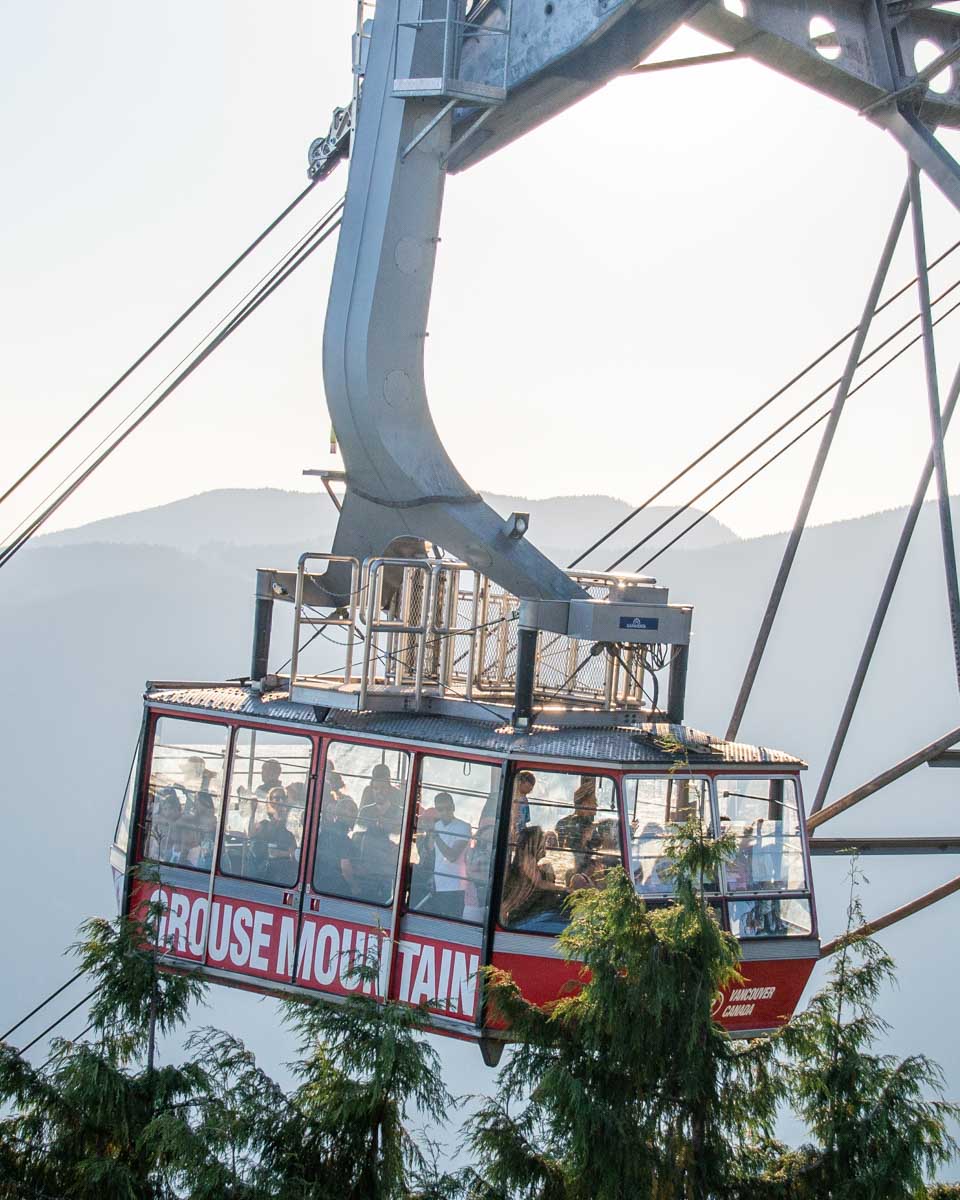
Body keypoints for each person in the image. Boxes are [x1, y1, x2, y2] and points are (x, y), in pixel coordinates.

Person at [501, 826, 565, 931]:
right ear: (534, 842)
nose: (545, 844)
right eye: (542, 841)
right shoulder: (527, 858)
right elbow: (539, 883)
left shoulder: (530, 858)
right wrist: (563, 888)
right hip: (521, 900)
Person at [424, 792, 471, 918]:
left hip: (456, 886)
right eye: (440, 809)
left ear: (453, 807)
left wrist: (436, 836)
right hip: (438, 884)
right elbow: (431, 851)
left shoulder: (464, 827)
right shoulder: (436, 826)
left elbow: (452, 856)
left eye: (448, 808)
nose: (444, 812)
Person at [245, 786, 298, 884]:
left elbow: (294, 855)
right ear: (270, 802)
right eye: (277, 798)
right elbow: (251, 834)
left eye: (283, 798)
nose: (280, 801)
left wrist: (280, 854)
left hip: (280, 876)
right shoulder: (264, 825)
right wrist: (253, 811)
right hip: (259, 874)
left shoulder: (290, 830)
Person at [314, 795, 360, 895]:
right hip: (336, 889)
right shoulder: (344, 839)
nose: (356, 815)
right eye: (353, 811)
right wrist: (354, 886)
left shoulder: (325, 832)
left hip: (318, 883)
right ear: (342, 814)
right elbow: (345, 868)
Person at [556, 779, 598, 850]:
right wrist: (584, 839)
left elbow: (598, 845)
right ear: (585, 804)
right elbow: (568, 851)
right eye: (594, 802)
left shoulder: (589, 824)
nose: (597, 805)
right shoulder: (566, 824)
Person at [147, 787, 182, 861]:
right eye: (165, 809)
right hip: (157, 850)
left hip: (170, 853)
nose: (168, 812)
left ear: (176, 810)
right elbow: (154, 819)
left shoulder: (180, 822)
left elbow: (177, 840)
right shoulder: (159, 819)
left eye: (171, 809)